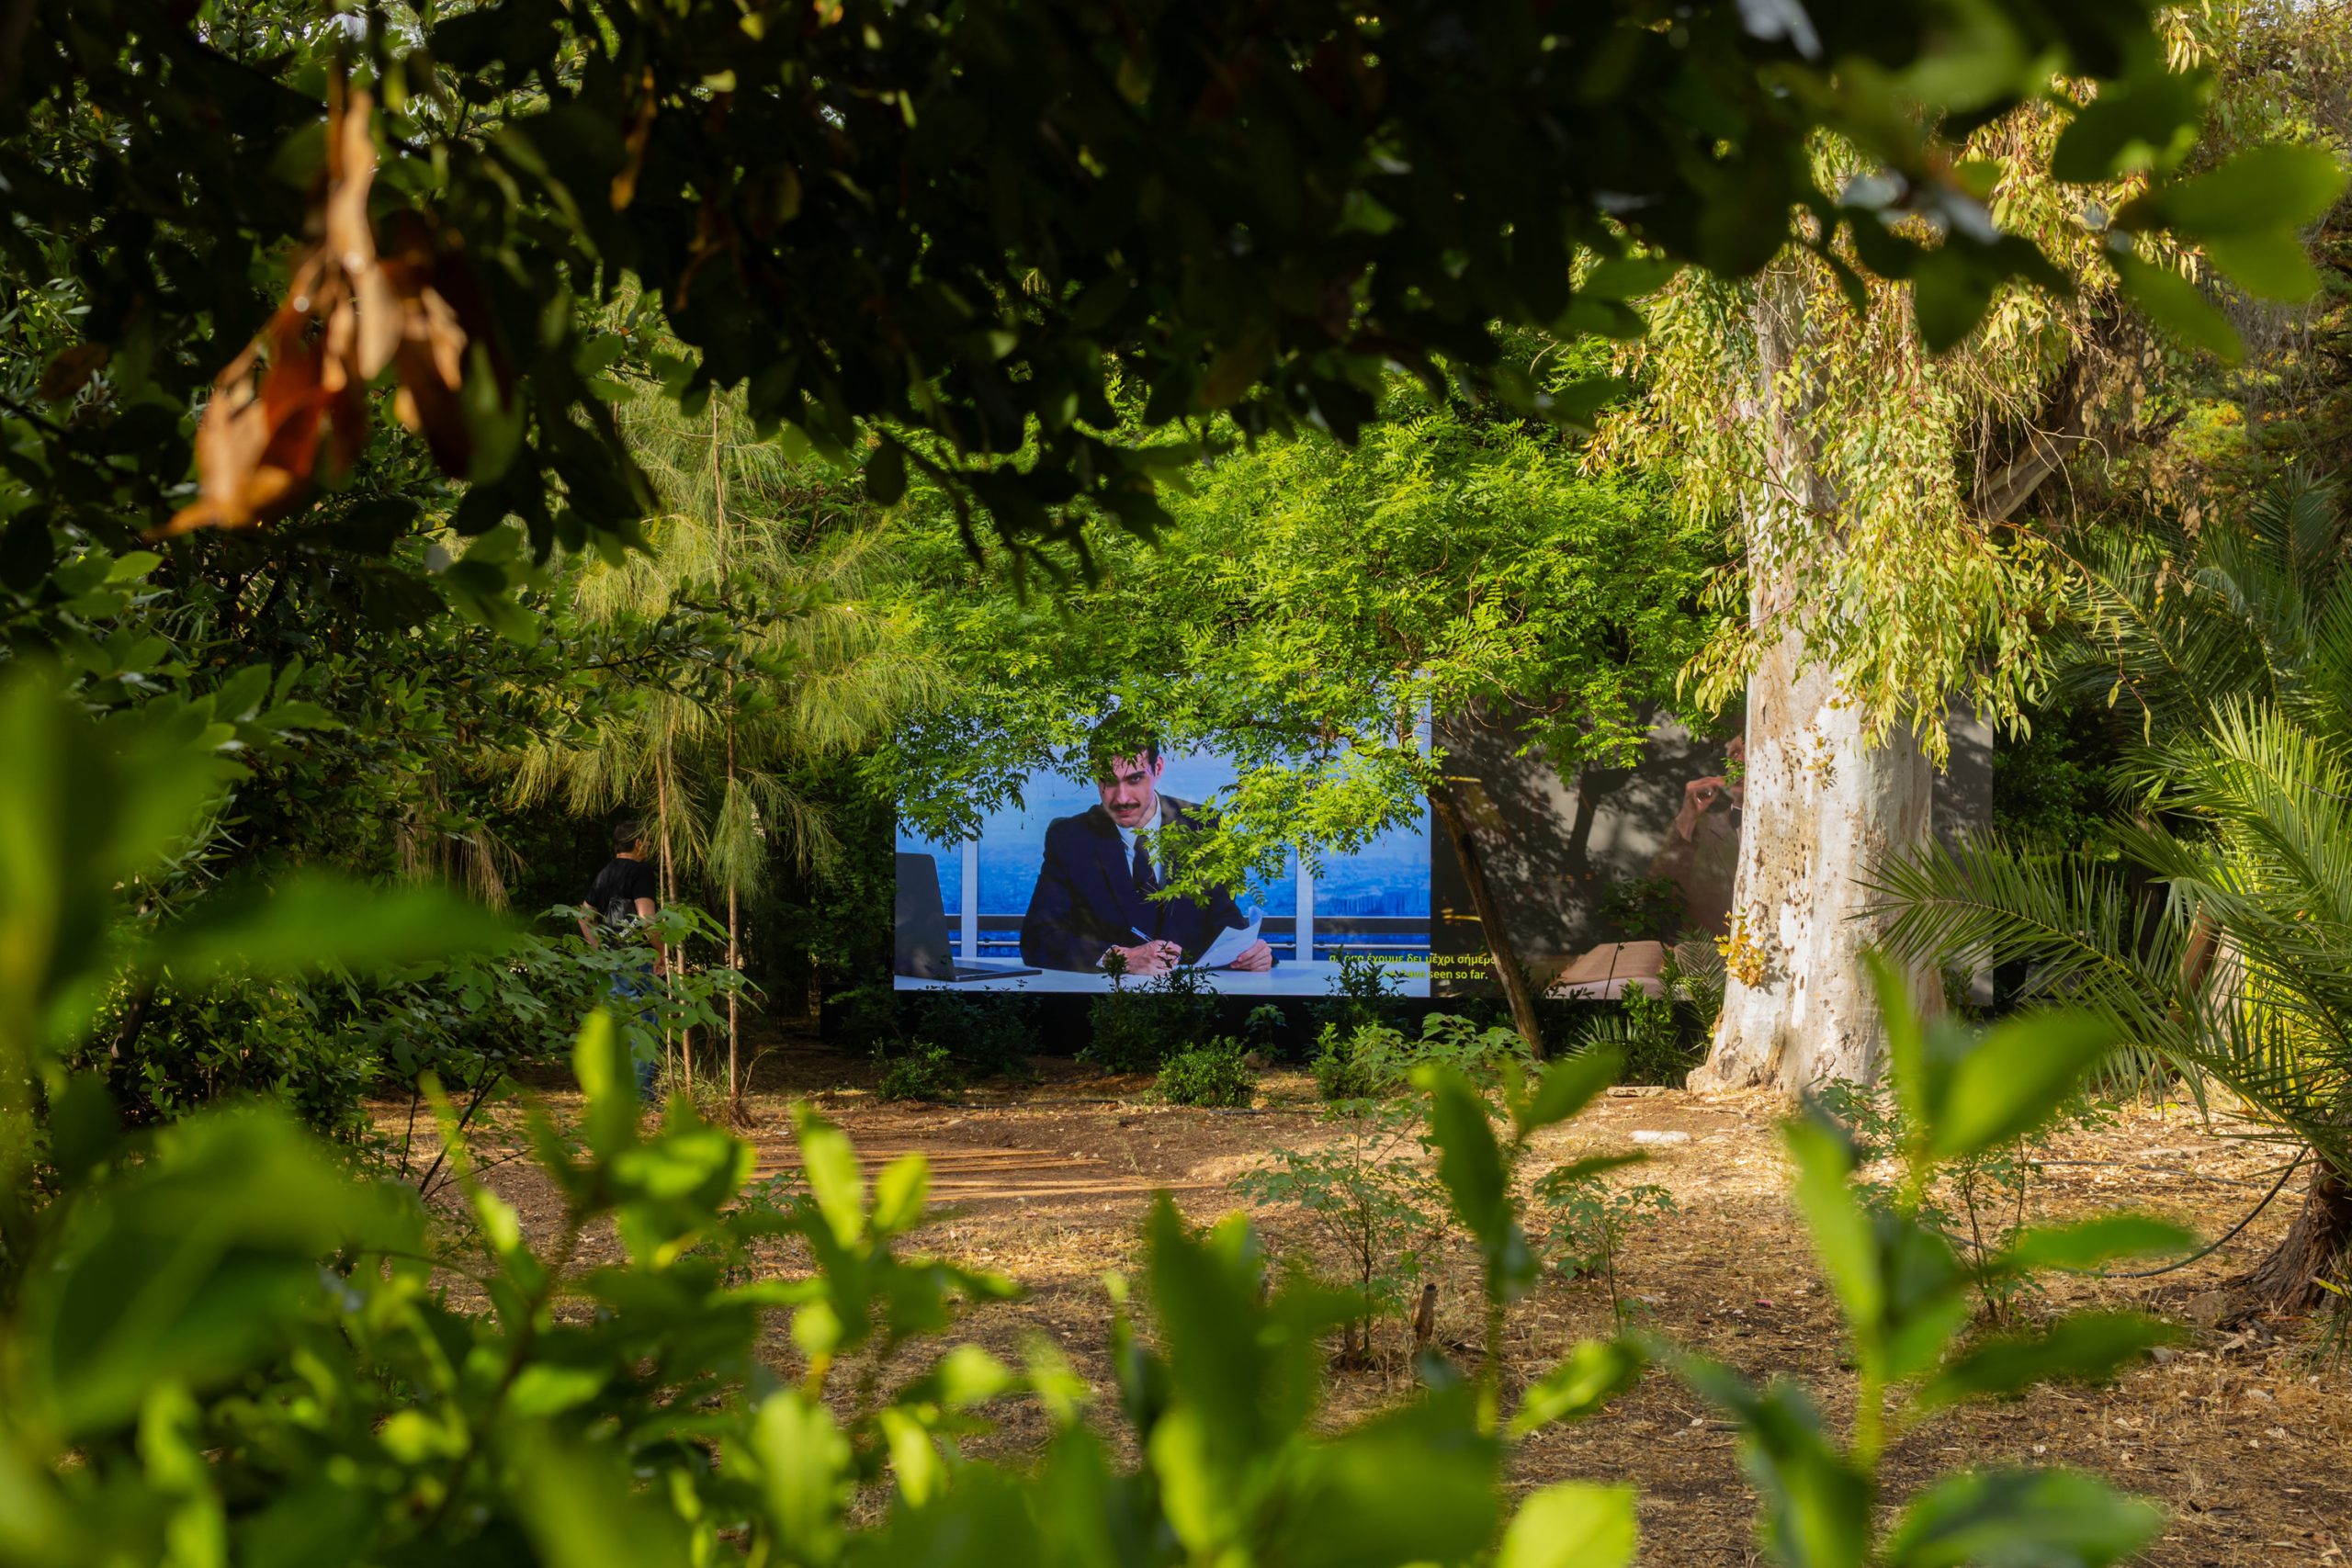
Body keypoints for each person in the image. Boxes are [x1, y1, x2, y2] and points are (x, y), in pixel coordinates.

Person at [1020, 733, 1275, 976]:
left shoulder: (1203, 826)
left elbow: (1222, 917)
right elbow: (1037, 938)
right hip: (1101, 1005)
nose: (1122, 798)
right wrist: (1119, 959)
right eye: (1108, 780)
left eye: (1134, 779)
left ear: (1159, 768)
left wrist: (1253, 953)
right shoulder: (1070, 837)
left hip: (1192, 1003)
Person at [578, 818, 669, 1100]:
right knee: (644, 1024)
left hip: (609, 961)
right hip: (636, 960)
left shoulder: (605, 873)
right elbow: (646, 918)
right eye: (647, 841)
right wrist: (660, 952)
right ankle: (640, 1095)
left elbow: (584, 915)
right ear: (639, 843)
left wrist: (597, 948)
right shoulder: (640, 871)